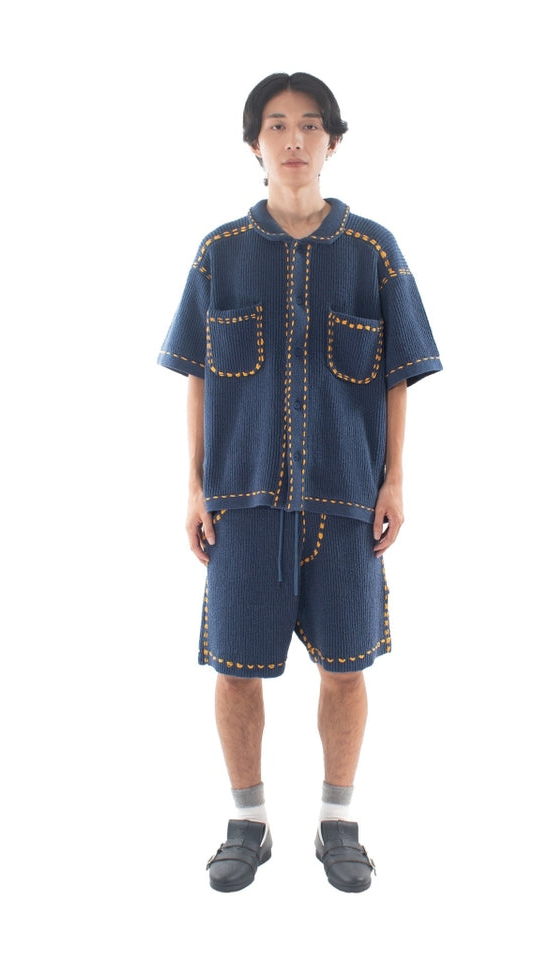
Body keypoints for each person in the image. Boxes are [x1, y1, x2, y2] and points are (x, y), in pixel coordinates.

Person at [157, 72, 442, 893]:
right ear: (254, 144)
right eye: (277, 125)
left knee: (347, 666)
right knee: (235, 669)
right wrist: (193, 487)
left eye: (310, 124)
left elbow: (397, 374)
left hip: (348, 502)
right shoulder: (219, 252)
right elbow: (198, 375)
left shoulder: (373, 251)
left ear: (333, 142)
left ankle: (338, 823)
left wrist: (395, 481)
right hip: (241, 502)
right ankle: (246, 823)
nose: (293, 139)